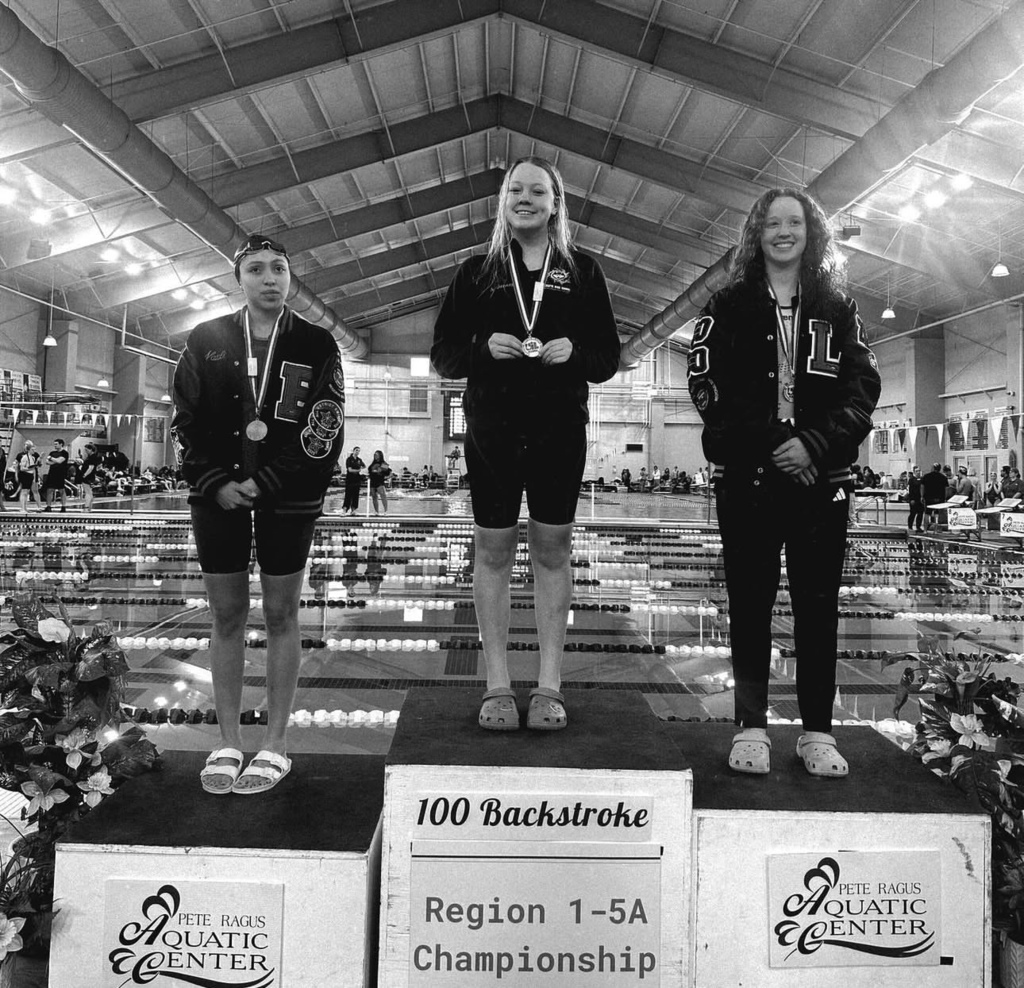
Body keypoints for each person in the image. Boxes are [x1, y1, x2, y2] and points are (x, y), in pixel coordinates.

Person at [687, 187, 880, 777]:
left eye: (794, 222)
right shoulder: (727, 305)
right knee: (749, 602)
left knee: (818, 607)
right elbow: (707, 387)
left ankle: (817, 731)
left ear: (810, 232)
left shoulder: (838, 307)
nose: (782, 232)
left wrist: (816, 445)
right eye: (772, 223)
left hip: (821, 481)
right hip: (748, 477)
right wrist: (776, 442)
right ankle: (751, 725)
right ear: (757, 233)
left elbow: (862, 389)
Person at [431, 155, 620, 732]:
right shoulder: (477, 271)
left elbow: (608, 356)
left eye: (538, 190)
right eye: (516, 189)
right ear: (503, 200)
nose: (526, 198)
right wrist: (482, 348)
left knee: (552, 551)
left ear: (555, 203)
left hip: (559, 429)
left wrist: (575, 353)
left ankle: (549, 684)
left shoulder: (583, 271)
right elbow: (443, 355)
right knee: (491, 551)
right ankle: (495, 683)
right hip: (492, 430)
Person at [171, 233, 345, 795]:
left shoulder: (317, 343)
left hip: (288, 495)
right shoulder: (207, 338)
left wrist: (264, 481)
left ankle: (275, 744)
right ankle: (227, 740)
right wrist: (215, 481)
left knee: (280, 613)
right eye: (256, 270)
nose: (270, 279)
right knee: (225, 614)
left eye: (279, 269)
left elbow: (325, 427)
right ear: (238, 279)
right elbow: (185, 421)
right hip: (216, 497)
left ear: (290, 277)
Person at [42, 438, 70, 512]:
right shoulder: (52, 453)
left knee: (62, 490)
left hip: (60, 473)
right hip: (52, 473)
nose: (55, 445)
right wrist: (55, 461)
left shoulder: (64, 453)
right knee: (49, 490)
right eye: (54, 444)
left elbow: (60, 461)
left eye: (56, 444)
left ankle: (63, 506)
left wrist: (52, 459)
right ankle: (48, 506)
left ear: (61, 444)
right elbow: (47, 462)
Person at [14, 441, 42, 512]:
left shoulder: (32, 457)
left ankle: (25, 508)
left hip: (30, 475)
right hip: (25, 475)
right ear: (29, 449)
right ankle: (22, 508)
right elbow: (22, 468)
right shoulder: (24, 457)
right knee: (24, 491)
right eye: (33, 450)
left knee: (27, 492)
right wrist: (30, 468)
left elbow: (35, 467)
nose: (34, 451)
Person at [920, 462, 948, 531]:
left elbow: (922, 487)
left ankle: (925, 530)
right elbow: (946, 489)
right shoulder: (943, 477)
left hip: (928, 498)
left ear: (933, 468)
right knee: (936, 514)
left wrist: (922, 496)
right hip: (939, 499)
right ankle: (935, 531)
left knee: (927, 513)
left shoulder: (926, 476)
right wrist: (945, 498)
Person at [79, 443, 103, 510]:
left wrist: (84, 475)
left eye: (87, 450)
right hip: (90, 475)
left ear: (91, 450)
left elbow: (91, 468)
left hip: (88, 476)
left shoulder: (92, 457)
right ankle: (89, 506)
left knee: (87, 492)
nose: (86, 451)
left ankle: (87, 506)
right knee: (89, 492)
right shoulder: (92, 457)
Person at [341, 446, 364, 515]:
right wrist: (358, 470)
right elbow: (350, 470)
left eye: (358, 451)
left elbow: (364, 466)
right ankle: (345, 509)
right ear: (353, 451)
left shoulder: (359, 460)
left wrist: (360, 467)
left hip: (357, 479)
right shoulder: (349, 459)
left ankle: (353, 510)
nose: (357, 452)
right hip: (350, 479)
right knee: (348, 495)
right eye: (356, 450)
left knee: (355, 495)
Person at [368, 449, 391, 515]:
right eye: (374, 455)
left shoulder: (383, 463)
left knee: (383, 496)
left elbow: (389, 472)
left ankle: (386, 511)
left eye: (377, 455)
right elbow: (370, 471)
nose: (375, 456)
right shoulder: (372, 464)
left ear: (380, 456)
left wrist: (387, 476)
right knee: (374, 497)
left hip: (380, 482)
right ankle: (376, 511)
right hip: (373, 482)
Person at [906, 465, 925, 533]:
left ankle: (918, 526)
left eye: (919, 471)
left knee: (920, 513)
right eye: (917, 471)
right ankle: (910, 526)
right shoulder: (911, 480)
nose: (918, 472)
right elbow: (910, 491)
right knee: (913, 513)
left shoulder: (922, 480)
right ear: (914, 472)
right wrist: (911, 499)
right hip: (914, 499)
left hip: (920, 499)